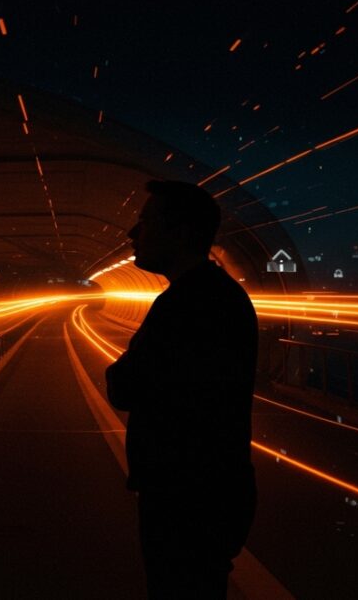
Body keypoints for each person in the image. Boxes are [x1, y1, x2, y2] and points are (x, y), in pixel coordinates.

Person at [104, 180, 258, 598]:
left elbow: (124, 386)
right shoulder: (218, 295)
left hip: (186, 496)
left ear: (180, 231)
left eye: (146, 221)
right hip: (210, 490)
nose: (133, 233)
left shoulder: (188, 304)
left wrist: (122, 369)